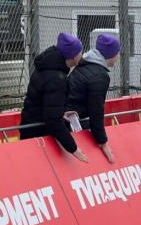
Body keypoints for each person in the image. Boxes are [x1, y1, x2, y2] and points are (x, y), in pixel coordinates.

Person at [20, 33, 88, 162]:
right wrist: (73, 148)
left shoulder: (47, 67)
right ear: (73, 56)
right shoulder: (57, 78)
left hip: (30, 128)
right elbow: (52, 120)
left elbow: (43, 104)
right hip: (39, 136)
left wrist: (61, 112)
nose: (82, 55)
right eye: (80, 52)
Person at [65, 34, 121, 163]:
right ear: (111, 55)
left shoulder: (85, 64)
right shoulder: (100, 76)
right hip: (71, 123)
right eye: (117, 52)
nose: (118, 56)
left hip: (67, 117)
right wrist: (102, 141)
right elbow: (96, 110)